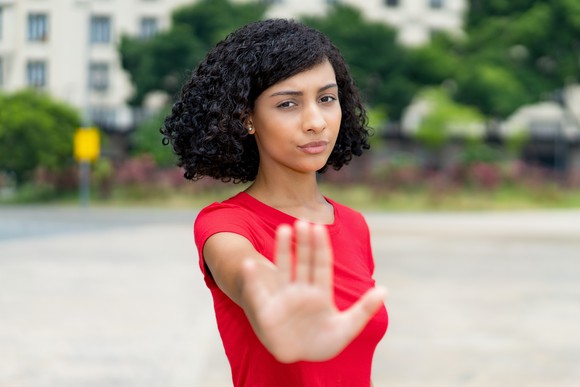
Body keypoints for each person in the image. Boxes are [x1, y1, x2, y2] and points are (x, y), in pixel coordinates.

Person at [162, 18, 388, 387]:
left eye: (326, 99)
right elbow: (245, 272)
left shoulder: (354, 224)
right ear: (247, 118)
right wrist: (274, 304)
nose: (316, 121)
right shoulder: (226, 225)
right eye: (288, 104)